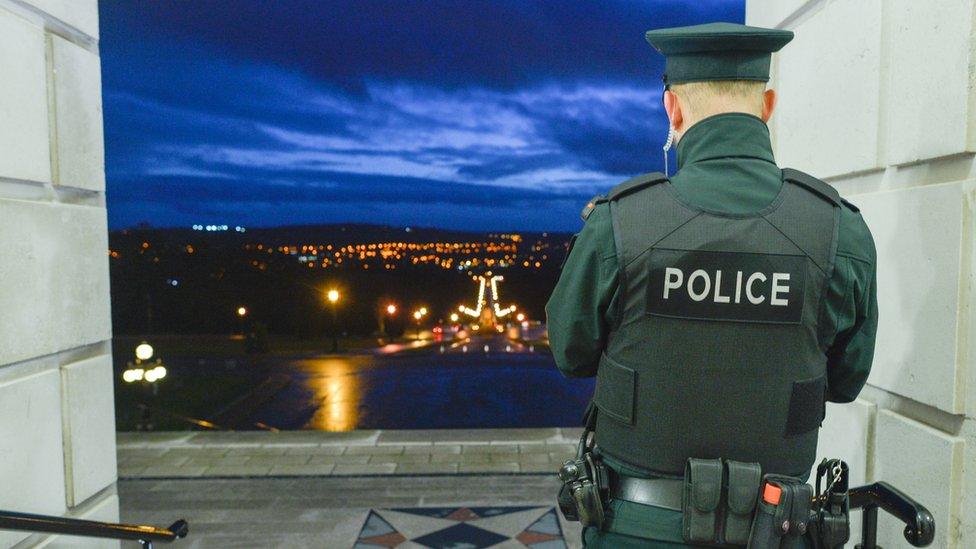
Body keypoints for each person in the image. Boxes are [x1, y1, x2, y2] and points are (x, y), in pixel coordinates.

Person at [546, 22, 878, 547]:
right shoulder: (838, 230)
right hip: (779, 528)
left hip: (636, 528)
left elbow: (571, 353)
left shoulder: (621, 222)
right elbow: (844, 381)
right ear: (767, 106)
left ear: (672, 111)